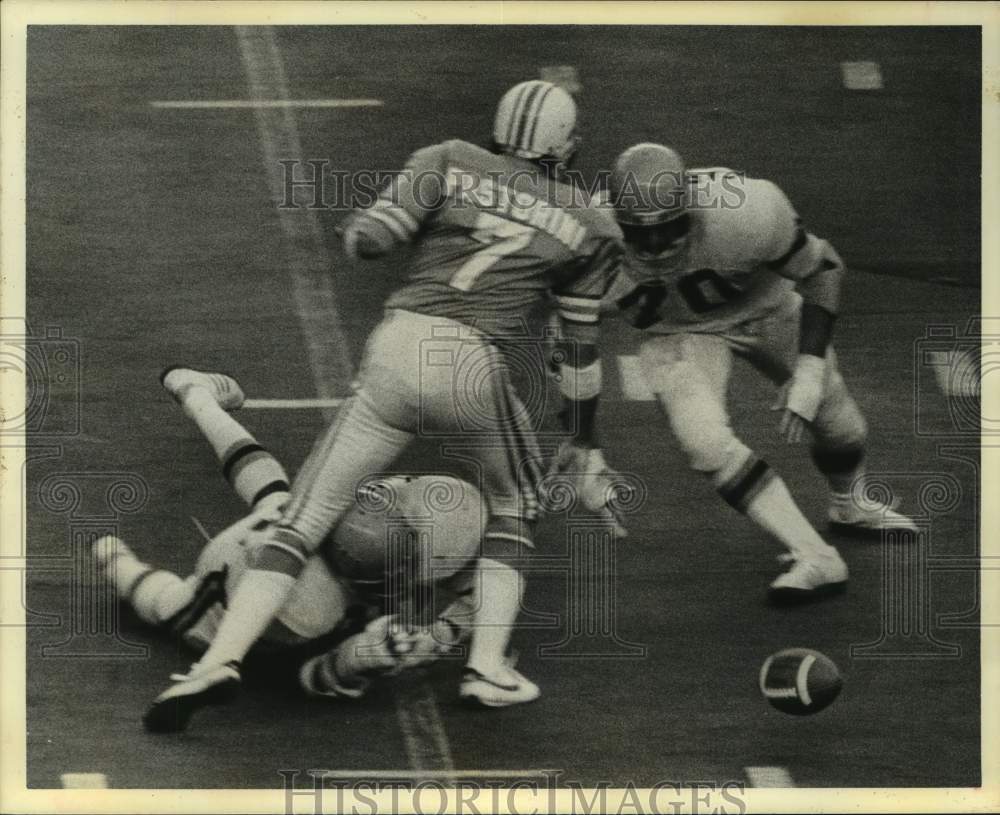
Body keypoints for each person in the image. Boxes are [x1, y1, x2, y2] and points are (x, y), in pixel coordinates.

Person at [147, 79, 627, 720]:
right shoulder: (589, 224)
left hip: (397, 348)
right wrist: (584, 439)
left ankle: (216, 661)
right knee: (519, 501)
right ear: (562, 146)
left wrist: (364, 230)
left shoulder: (448, 158)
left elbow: (371, 237)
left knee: (302, 521)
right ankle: (485, 669)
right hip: (467, 362)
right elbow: (581, 351)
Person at [605, 143, 916, 603]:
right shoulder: (591, 234)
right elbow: (556, 311)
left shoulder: (748, 211)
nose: (655, 247)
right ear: (616, 220)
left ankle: (850, 504)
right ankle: (817, 557)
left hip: (768, 307)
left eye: (667, 228)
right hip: (681, 331)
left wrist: (809, 371)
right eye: (638, 234)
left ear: (689, 210)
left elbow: (824, 269)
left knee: (836, 420)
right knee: (704, 440)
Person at [96, 367, 484, 732]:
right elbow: (288, 674)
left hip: (276, 539)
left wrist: (432, 638)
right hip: (226, 592)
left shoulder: (357, 512)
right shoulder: (315, 607)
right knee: (173, 608)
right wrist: (361, 658)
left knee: (272, 491)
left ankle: (196, 395)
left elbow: (468, 583)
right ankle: (116, 563)